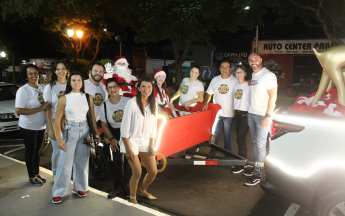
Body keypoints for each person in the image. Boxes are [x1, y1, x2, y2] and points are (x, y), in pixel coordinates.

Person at [52, 72, 99, 204]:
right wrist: (59, 139)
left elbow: (92, 118)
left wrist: (96, 134)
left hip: (85, 131)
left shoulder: (88, 97)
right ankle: (59, 192)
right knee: (64, 163)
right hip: (69, 131)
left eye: (79, 80)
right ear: (69, 82)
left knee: (82, 161)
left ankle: (80, 188)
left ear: (82, 83)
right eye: (74, 80)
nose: (77, 83)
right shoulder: (64, 98)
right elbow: (58, 120)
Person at [120, 76, 158, 204]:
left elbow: (154, 126)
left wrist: (152, 145)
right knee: (137, 171)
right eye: (143, 86)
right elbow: (124, 127)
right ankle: (132, 197)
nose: (147, 89)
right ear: (138, 88)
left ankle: (142, 190)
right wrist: (128, 149)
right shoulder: (132, 103)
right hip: (131, 141)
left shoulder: (154, 103)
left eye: (149, 86)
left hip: (146, 141)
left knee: (153, 171)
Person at [245, 53, 277, 186]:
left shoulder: (268, 75)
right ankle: (257, 166)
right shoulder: (253, 75)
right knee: (254, 142)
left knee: (260, 144)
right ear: (249, 61)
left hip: (262, 115)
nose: (254, 62)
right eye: (251, 60)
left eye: (256, 60)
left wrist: (267, 115)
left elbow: (273, 97)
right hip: (251, 113)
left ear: (261, 60)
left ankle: (258, 173)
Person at [15, 64, 50, 186]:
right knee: (30, 151)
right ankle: (31, 176)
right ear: (26, 76)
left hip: (41, 126)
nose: (33, 76)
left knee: (37, 151)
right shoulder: (23, 90)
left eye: (35, 73)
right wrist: (40, 109)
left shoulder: (42, 87)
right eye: (30, 74)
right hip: (28, 126)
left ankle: (37, 173)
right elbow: (18, 111)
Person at [99, 78, 131, 199]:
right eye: (110, 87)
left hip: (128, 132)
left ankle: (126, 186)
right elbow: (104, 125)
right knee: (117, 160)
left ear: (118, 88)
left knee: (129, 160)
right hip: (115, 133)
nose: (112, 89)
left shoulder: (127, 101)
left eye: (114, 87)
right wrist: (112, 138)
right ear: (107, 90)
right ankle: (117, 187)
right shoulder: (104, 106)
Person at [202, 60, 238, 156]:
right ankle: (212, 153)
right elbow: (209, 93)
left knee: (227, 135)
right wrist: (206, 102)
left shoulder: (235, 81)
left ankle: (227, 154)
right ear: (219, 68)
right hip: (217, 113)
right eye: (223, 67)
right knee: (215, 134)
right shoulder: (215, 80)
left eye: (227, 67)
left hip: (229, 114)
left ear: (230, 69)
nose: (225, 69)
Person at [43, 60, 69, 181]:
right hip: (54, 121)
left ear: (67, 70)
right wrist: (51, 128)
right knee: (57, 150)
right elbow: (47, 109)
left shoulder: (70, 84)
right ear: (54, 71)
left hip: (68, 121)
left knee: (67, 149)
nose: (61, 71)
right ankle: (55, 173)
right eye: (58, 69)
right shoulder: (50, 87)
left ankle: (65, 174)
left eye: (63, 68)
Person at [232, 65, 251, 174]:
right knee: (239, 139)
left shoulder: (249, 85)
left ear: (245, 73)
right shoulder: (235, 85)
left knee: (241, 139)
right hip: (237, 115)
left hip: (245, 115)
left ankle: (242, 164)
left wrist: (252, 81)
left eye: (241, 72)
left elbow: (259, 84)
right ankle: (241, 160)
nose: (239, 74)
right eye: (237, 72)